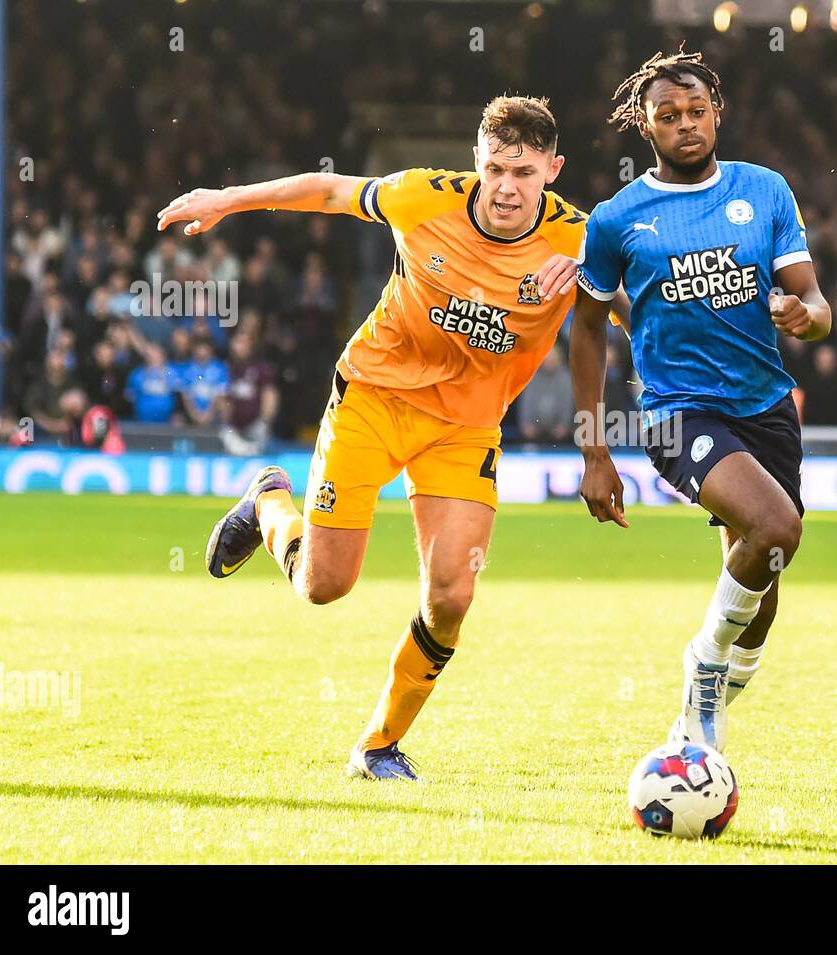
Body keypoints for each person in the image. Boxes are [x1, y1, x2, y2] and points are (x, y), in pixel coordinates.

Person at [157, 95, 588, 781]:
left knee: (452, 595)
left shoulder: (580, 240)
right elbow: (328, 191)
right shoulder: (420, 197)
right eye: (497, 168)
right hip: (375, 398)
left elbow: (630, 308)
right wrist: (227, 199)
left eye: (526, 172)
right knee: (324, 585)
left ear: (553, 171)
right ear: (476, 161)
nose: (507, 186)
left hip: (466, 426)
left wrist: (609, 290)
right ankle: (269, 502)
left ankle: (379, 745)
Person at [569, 49, 831, 753]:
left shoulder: (765, 190)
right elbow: (587, 330)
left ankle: (699, 725)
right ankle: (703, 670)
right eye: (667, 116)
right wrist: (595, 451)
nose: (685, 125)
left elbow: (815, 299)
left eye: (695, 111)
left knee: (763, 600)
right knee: (777, 528)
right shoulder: (618, 219)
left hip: (766, 405)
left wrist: (809, 316)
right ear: (644, 127)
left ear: (717, 112)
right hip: (679, 411)